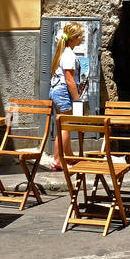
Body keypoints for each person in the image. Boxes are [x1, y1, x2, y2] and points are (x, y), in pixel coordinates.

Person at [49, 22, 85, 169]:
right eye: (81, 36)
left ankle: (68, 156)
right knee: (66, 127)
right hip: (64, 92)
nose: (82, 39)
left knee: (64, 125)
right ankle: (57, 161)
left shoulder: (64, 52)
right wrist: (77, 99)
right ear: (75, 38)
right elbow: (69, 80)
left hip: (57, 91)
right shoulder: (69, 55)